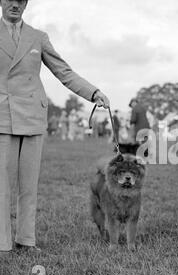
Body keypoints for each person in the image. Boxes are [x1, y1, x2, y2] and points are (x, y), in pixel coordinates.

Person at [0, 0, 109, 257]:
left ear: (25, 5)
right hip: (2, 115)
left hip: (33, 115)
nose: (15, 5)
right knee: (1, 186)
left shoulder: (38, 37)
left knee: (30, 185)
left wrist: (94, 92)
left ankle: (26, 240)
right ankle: (2, 244)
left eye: (21, 0)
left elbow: (64, 72)